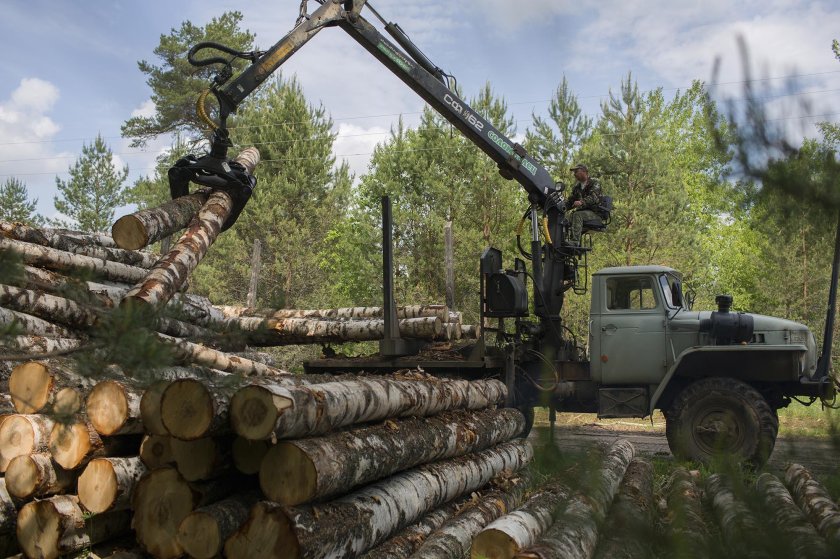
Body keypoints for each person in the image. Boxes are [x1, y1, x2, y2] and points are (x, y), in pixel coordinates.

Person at [565, 164, 605, 246]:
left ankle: (575, 242)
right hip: (584, 213)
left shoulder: (594, 182)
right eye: (574, 172)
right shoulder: (577, 187)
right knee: (565, 219)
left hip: (596, 213)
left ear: (584, 171)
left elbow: (593, 197)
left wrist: (581, 202)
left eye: (576, 171)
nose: (574, 174)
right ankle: (562, 241)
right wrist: (561, 207)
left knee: (577, 215)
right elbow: (570, 202)